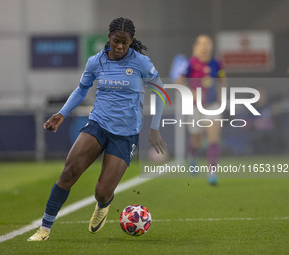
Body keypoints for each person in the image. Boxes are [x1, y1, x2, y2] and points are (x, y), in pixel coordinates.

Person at [28, 17, 167, 241]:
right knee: (68, 173)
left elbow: (161, 92)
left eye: (126, 42)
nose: (120, 46)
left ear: (131, 41)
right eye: (116, 41)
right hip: (98, 124)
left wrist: (155, 127)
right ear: (109, 37)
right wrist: (61, 113)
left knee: (102, 192)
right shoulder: (96, 62)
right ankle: (44, 228)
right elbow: (81, 90)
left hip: (125, 134)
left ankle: (103, 205)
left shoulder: (141, 63)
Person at [175, 35, 226, 185]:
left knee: (213, 139)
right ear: (196, 47)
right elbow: (179, 81)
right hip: (195, 107)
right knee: (196, 141)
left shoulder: (217, 64)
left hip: (212, 105)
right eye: (201, 44)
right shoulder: (190, 63)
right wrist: (191, 92)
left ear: (211, 47)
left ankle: (212, 173)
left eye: (207, 44)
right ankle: (192, 155)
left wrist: (221, 92)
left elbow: (222, 79)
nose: (204, 47)